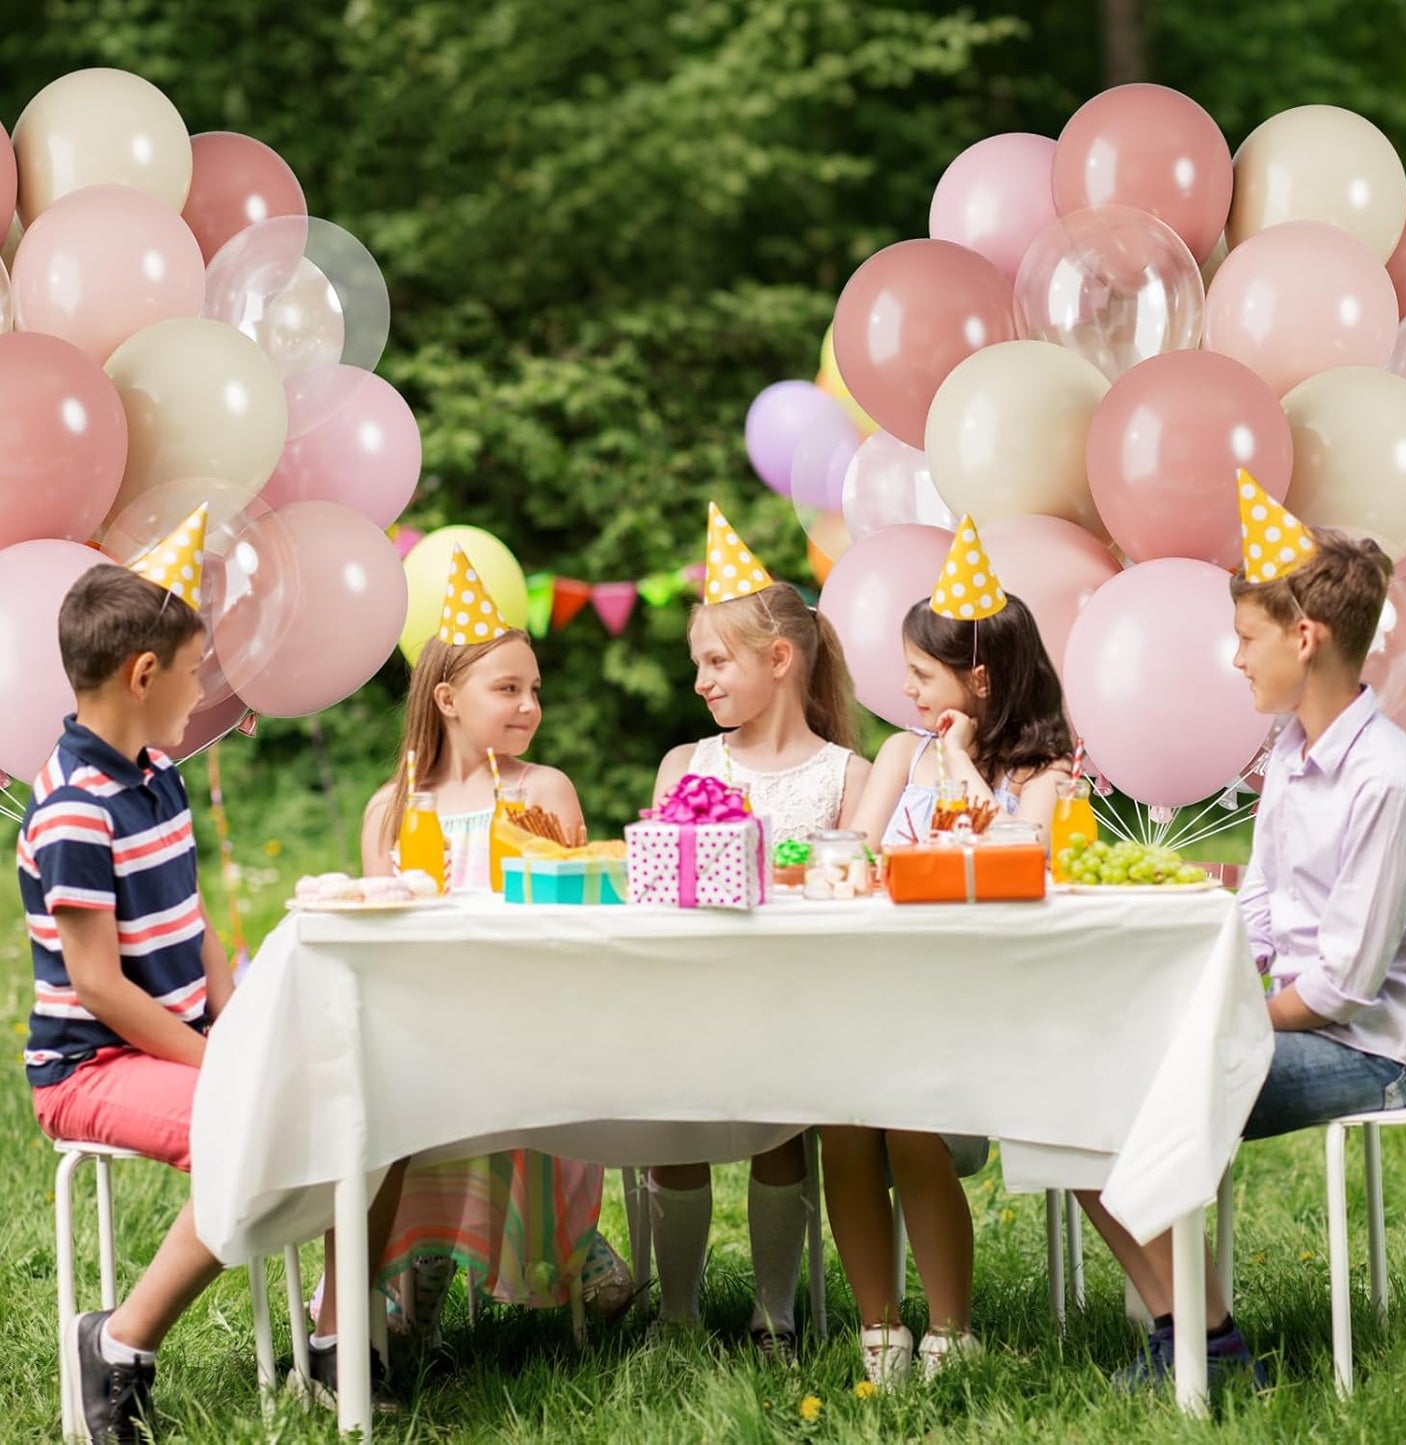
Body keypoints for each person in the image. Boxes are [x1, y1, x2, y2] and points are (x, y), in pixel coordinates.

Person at [20, 512, 407, 1443]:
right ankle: (117, 1345)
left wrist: (244, 1023)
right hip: (92, 1065)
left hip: (178, 1042)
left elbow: (192, 934)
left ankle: (332, 1336)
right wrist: (219, 1060)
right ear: (142, 674)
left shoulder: (159, 775)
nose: (203, 691)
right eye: (193, 671)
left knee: (375, 1103)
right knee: (249, 1120)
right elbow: (102, 986)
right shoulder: (73, 810)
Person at [1078, 480, 1406, 1391]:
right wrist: (1201, 979)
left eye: (1246, 637)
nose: (1234, 657)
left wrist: (1216, 1018)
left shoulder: (1387, 781)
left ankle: (1204, 1349)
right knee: (1078, 1081)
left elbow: (1338, 990)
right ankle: (1194, 1334)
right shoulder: (1288, 748)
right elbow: (1261, 904)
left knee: (1137, 1076)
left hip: (1374, 1049)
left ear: (1304, 637)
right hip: (1296, 1018)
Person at [351, 546, 630, 1349]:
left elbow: (578, 913)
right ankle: (414, 1285)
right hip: (427, 1020)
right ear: (446, 697)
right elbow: (382, 935)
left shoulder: (546, 793)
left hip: (531, 1016)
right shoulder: (393, 810)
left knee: (492, 1075)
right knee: (427, 1085)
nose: (528, 705)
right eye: (507, 688)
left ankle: (556, 1252)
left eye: (533, 689)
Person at [825, 517, 1072, 1386]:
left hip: (981, 1003)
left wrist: (964, 766)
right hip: (887, 986)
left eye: (922, 675)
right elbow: (850, 855)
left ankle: (950, 1331)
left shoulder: (1041, 776)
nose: (906, 689)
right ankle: (878, 1332)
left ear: (978, 679)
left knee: (901, 1102)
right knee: (841, 1118)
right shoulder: (898, 752)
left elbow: (1023, 858)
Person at [648, 504, 870, 1362]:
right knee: (674, 1137)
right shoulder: (686, 765)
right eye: (697, 663)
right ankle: (675, 1318)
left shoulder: (843, 774)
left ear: (778, 660)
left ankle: (774, 1316)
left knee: (780, 1132)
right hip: (690, 995)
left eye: (715, 660)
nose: (701, 680)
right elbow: (661, 886)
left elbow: (848, 893)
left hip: (794, 1002)